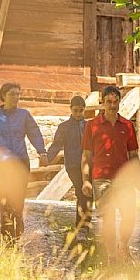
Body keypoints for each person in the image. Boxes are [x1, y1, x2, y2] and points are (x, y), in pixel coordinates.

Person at [0, 83, 49, 242]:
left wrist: (41, 152)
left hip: (20, 162)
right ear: (3, 96)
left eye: (18, 94)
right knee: (4, 197)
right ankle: (7, 234)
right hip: (1, 164)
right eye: (12, 94)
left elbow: (34, 133)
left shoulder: (24, 115)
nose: (16, 97)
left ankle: (18, 218)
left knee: (17, 197)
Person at [81, 85, 140, 264]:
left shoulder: (128, 126)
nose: (112, 105)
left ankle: (123, 247)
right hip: (101, 177)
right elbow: (86, 155)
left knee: (129, 215)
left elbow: (134, 155)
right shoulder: (92, 125)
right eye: (109, 102)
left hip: (124, 178)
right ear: (103, 102)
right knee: (108, 217)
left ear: (119, 102)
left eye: (115, 102)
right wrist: (86, 181)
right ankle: (111, 255)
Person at [47, 96, 93, 231]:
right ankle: (80, 226)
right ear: (71, 109)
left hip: (90, 164)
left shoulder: (88, 126)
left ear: (84, 110)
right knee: (80, 191)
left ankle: (86, 224)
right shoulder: (64, 127)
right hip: (73, 165)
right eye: (76, 110)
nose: (78, 114)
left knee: (89, 193)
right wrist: (48, 158)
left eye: (81, 111)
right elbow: (56, 145)